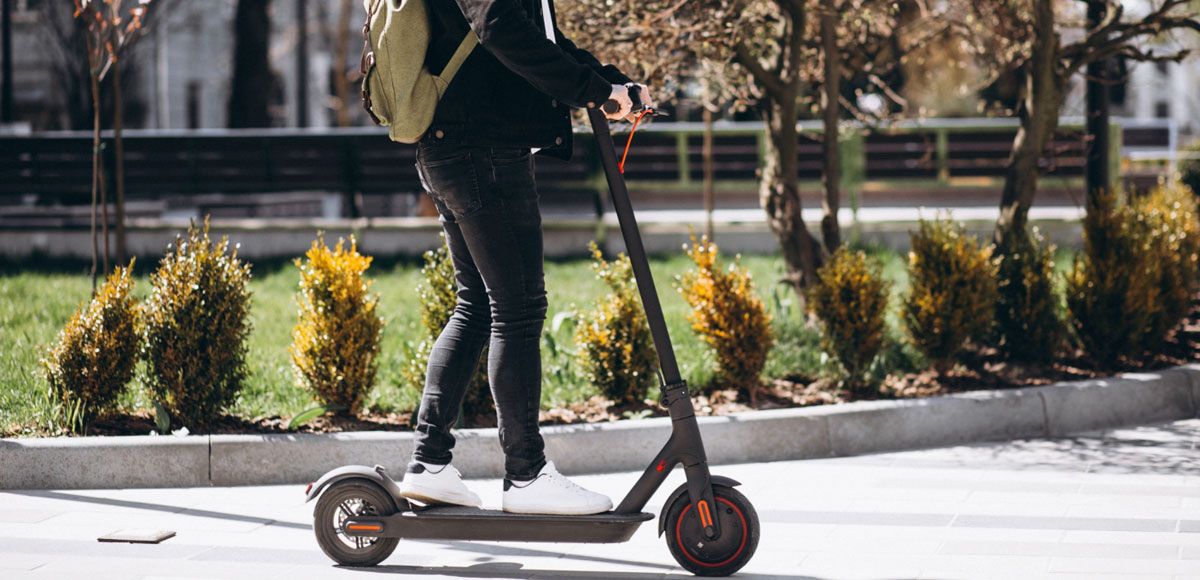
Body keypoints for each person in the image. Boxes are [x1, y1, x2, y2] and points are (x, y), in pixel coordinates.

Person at [398, 0, 653, 516]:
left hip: (461, 144)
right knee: (516, 309)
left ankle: (430, 464)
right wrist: (597, 93)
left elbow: (543, 38)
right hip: (481, 149)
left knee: (478, 308)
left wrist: (608, 83)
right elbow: (499, 29)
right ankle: (526, 473)